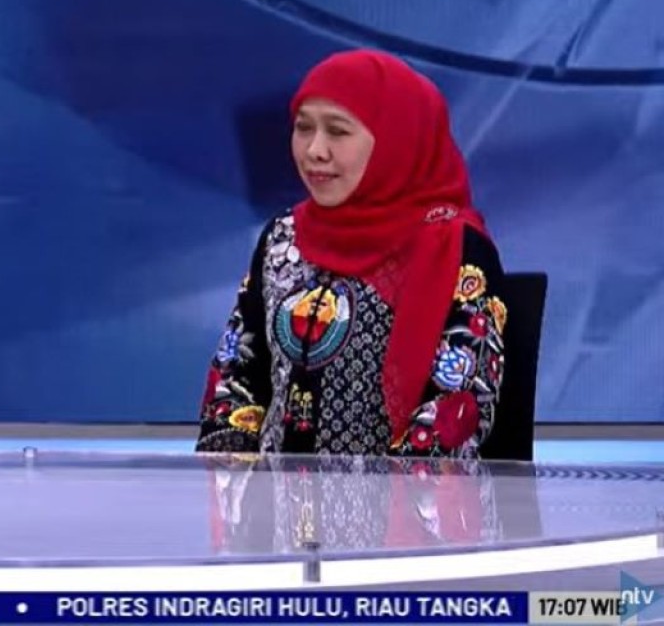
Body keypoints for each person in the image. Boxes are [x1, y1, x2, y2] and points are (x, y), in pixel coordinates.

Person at [196, 49, 507, 458]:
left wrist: (390, 494)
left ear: (395, 138)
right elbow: (235, 374)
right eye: (303, 128)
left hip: (403, 495)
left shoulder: (454, 247)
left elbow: (458, 408)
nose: (314, 150)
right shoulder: (282, 238)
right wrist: (237, 481)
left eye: (338, 132)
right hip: (271, 494)